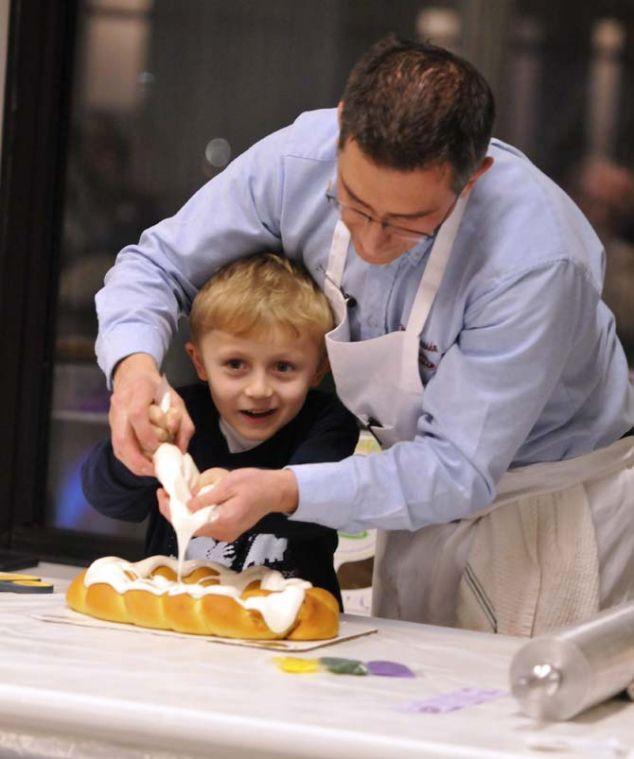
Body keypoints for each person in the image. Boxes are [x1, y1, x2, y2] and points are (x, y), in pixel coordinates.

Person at [96, 36, 634, 636]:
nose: (372, 244)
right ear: (342, 134)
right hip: (412, 490)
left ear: (473, 178)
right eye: (353, 204)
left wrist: (284, 490)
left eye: (408, 223)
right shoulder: (293, 163)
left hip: (544, 502)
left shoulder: (535, 261)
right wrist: (134, 368)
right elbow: (155, 265)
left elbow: (458, 468)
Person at [82, 253, 360, 605]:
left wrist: (245, 490)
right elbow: (108, 499)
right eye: (235, 364)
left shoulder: (326, 423)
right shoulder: (181, 417)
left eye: (284, 367)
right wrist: (143, 453)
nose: (258, 389)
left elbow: (317, 511)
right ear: (199, 361)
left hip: (288, 630)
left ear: (319, 370)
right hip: (178, 617)